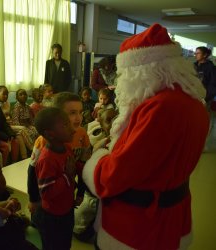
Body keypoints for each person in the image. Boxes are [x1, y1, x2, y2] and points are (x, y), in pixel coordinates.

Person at [82, 23, 209, 250]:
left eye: (125, 74)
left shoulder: (159, 108)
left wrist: (96, 161)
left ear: (139, 71)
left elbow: (116, 175)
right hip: (172, 214)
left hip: (139, 226)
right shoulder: (193, 103)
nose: (122, 81)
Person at [27, 92, 92, 236]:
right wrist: (33, 199)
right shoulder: (44, 141)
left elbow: (82, 166)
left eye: (80, 112)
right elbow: (32, 170)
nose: (78, 118)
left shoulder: (81, 134)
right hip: (47, 198)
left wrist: (80, 192)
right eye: (72, 113)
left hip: (65, 195)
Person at [33, 107, 76, 250]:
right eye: (65, 125)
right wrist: (67, 176)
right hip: (52, 217)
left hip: (66, 210)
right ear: (50, 134)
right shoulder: (47, 159)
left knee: (65, 245)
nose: (72, 128)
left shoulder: (67, 148)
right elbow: (46, 192)